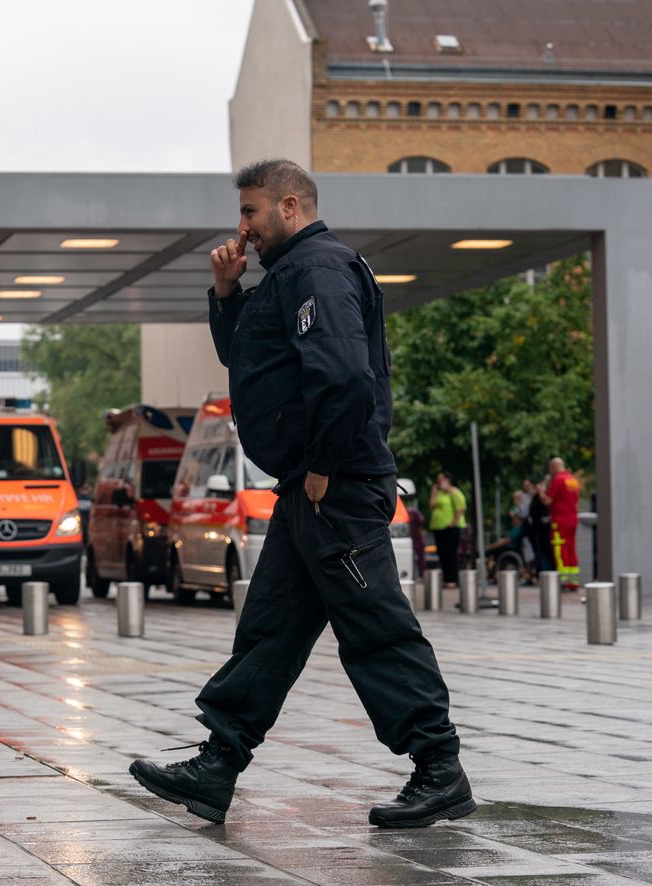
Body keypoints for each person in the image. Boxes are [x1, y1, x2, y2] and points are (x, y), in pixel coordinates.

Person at [127, 159, 471, 830]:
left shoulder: (318, 269)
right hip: (309, 490)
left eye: (251, 212)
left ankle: (440, 769)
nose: (242, 228)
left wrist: (321, 464)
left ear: (289, 206)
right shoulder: (288, 275)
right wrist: (227, 293)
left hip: (335, 487)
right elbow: (247, 360)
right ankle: (218, 764)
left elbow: (344, 378)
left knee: (376, 631)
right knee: (271, 631)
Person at [539, 457, 581, 589]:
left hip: (560, 520)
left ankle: (563, 580)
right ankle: (573, 581)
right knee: (571, 550)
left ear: (555, 466)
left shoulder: (558, 480)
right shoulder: (572, 480)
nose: (551, 472)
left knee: (560, 550)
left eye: (551, 468)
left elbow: (548, 501)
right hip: (572, 519)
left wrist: (540, 492)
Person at [428, 472, 466, 587]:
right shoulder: (439, 493)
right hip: (438, 528)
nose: (439, 482)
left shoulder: (454, 492)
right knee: (442, 554)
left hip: (450, 528)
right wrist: (433, 493)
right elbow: (431, 506)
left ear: (448, 480)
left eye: (441, 480)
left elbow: (460, 508)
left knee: (450, 554)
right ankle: (446, 578)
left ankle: (453, 579)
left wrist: (452, 523)